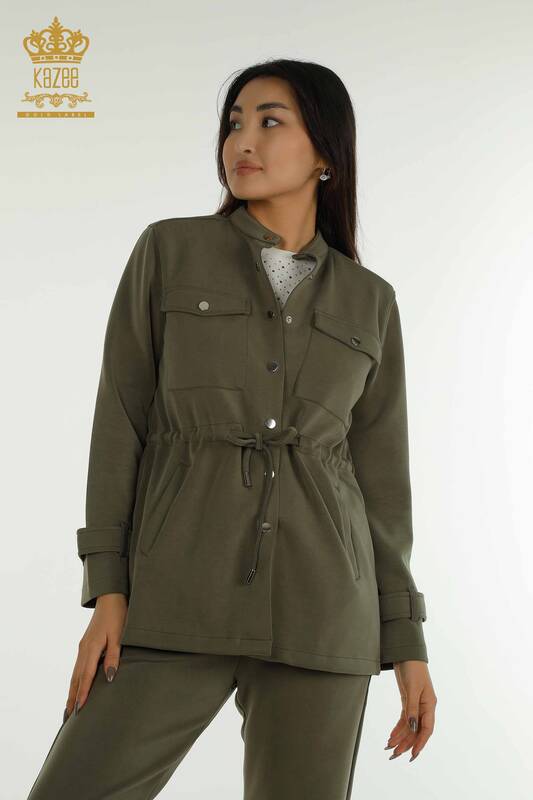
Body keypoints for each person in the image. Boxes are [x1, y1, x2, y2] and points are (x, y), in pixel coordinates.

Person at [26, 58, 437, 799]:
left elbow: (381, 486)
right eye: (233, 123)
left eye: (269, 121)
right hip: (171, 599)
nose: (242, 141)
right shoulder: (169, 251)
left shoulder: (370, 301)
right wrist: (107, 590)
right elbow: (120, 423)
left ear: (325, 154)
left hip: (323, 615)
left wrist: (405, 642)